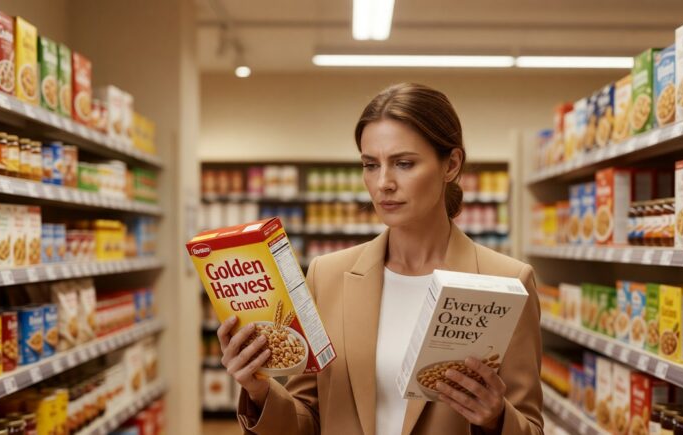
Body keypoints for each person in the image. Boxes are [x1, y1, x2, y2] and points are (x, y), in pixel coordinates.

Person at [216, 83, 543, 435]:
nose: (383, 182)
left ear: (451, 164)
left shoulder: (507, 282)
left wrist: (496, 418)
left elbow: (531, 427)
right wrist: (260, 391)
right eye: (371, 165)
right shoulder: (327, 276)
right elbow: (307, 418)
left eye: (404, 163)